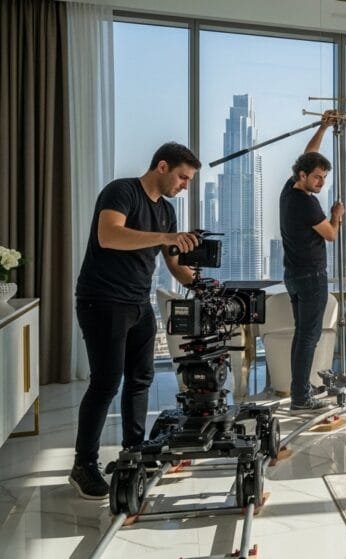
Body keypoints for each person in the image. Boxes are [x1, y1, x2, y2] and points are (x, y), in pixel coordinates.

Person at [71, 143, 202, 499]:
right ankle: (83, 465)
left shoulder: (168, 212)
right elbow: (108, 235)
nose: (184, 186)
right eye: (182, 177)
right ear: (162, 166)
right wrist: (165, 236)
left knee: (141, 379)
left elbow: (175, 265)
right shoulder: (122, 191)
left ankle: (135, 452)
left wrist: (204, 285)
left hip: (139, 303)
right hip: (102, 300)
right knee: (106, 382)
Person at [280, 111, 344, 411]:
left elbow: (309, 155)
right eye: (317, 177)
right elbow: (330, 235)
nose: (321, 182)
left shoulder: (288, 191)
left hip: (293, 276)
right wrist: (336, 216)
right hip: (311, 277)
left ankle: (300, 390)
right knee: (309, 338)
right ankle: (301, 398)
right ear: (302, 176)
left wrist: (323, 127)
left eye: (323, 177)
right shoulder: (306, 203)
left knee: (302, 336)